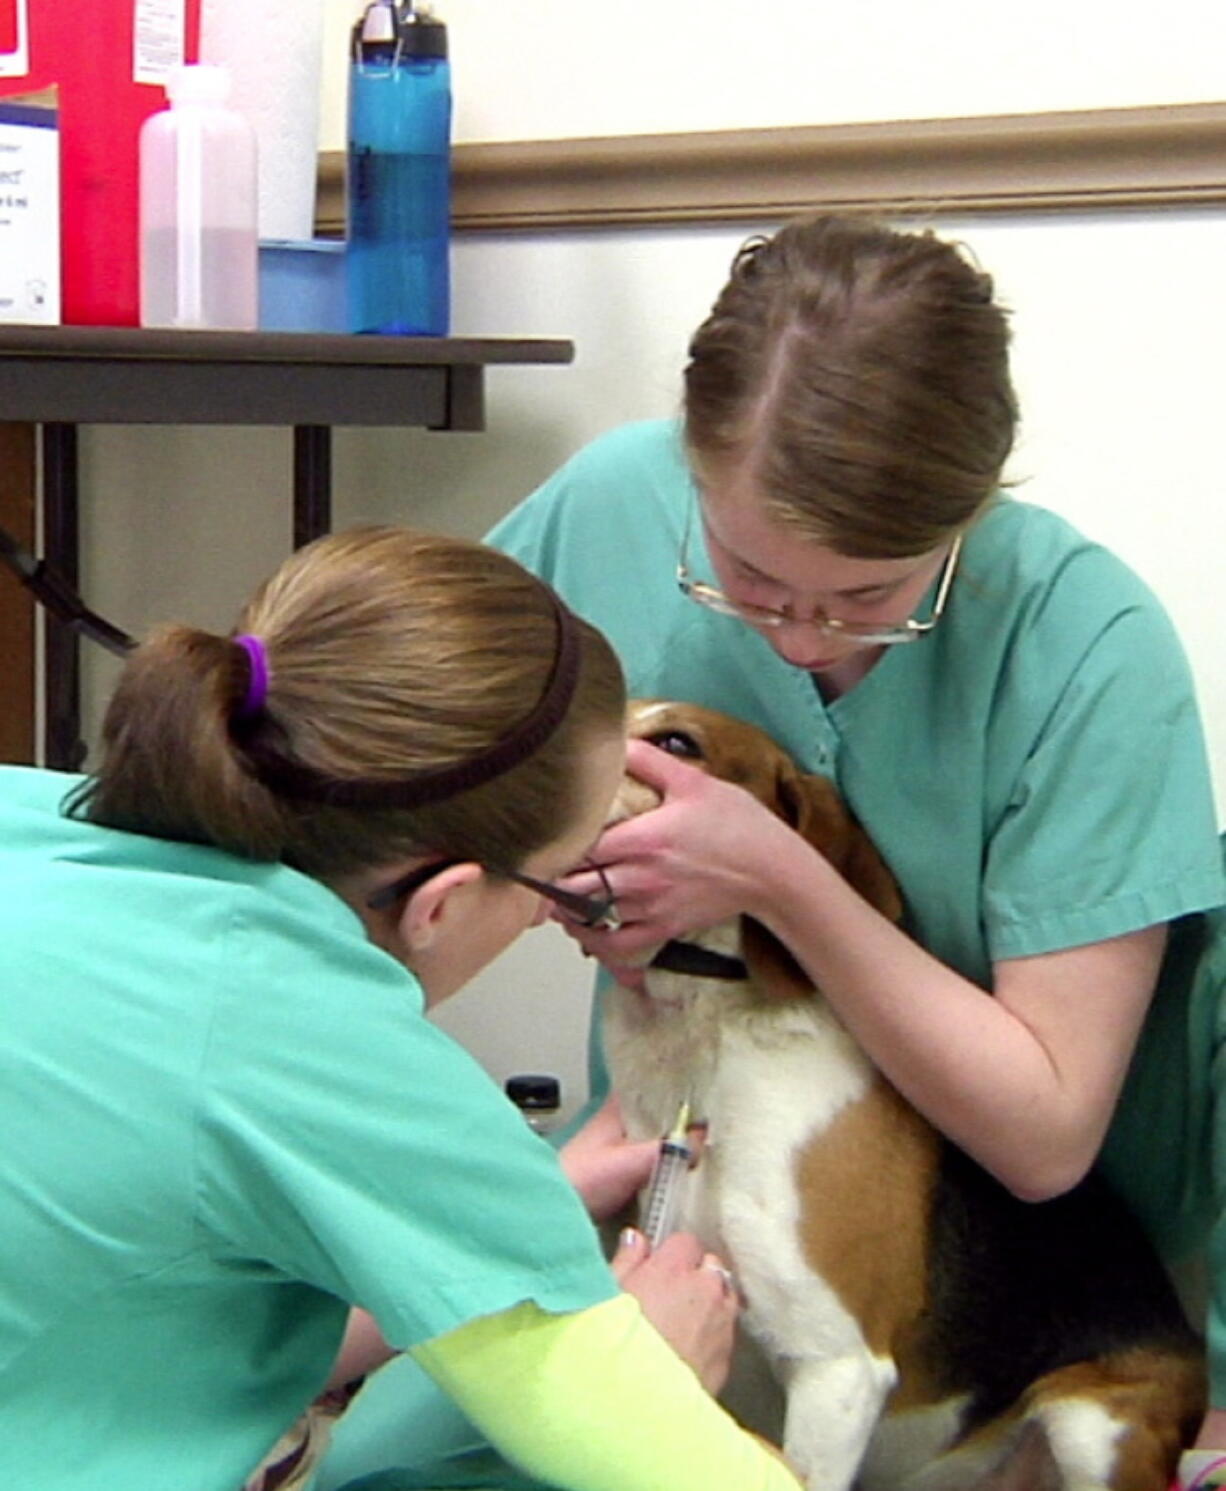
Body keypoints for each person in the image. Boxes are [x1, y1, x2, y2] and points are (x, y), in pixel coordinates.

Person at [482, 215, 1226, 1489]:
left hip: (1020, 1294)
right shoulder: (609, 507)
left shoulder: (1086, 645)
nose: (797, 643)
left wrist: (779, 876)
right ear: (688, 472)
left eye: (873, 597)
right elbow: (408, 771)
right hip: (686, 1205)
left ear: (971, 510)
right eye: (746, 582)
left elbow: (1042, 1137)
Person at [0, 524, 805, 1491]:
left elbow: (143, 1288)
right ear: (443, 900)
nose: (563, 923)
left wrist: (492, 1223)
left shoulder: (36, 819)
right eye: (562, 886)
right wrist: (647, 1372)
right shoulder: (303, 1028)